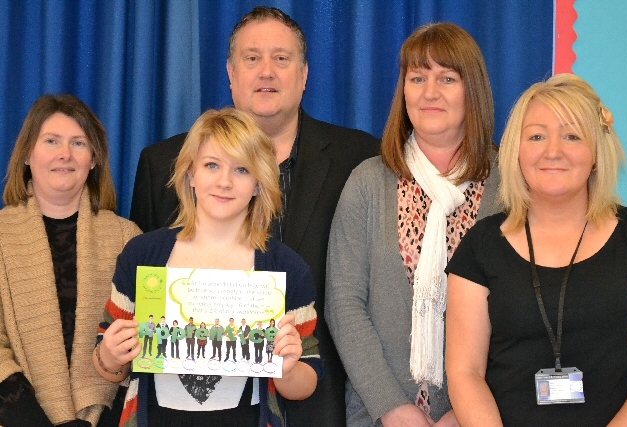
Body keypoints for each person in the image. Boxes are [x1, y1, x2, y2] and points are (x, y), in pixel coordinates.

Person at [129, 7, 379, 426]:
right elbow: (143, 294)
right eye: (252, 58)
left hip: (320, 403)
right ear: (230, 72)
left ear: (304, 75)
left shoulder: (360, 160)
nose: (267, 71)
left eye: (281, 59)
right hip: (187, 409)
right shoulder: (164, 165)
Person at [94, 108, 321, 427]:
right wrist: (111, 355)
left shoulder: (285, 269)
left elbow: (305, 383)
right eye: (211, 165)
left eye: (242, 170)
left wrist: (286, 367)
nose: (224, 182)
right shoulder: (143, 255)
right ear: (190, 174)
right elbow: (106, 364)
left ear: (259, 183)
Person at [326, 23, 500, 427]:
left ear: (472, 90)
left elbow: (519, 313)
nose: (429, 92)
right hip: (376, 416)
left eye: (447, 78)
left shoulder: (509, 187)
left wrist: (466, 412)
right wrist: (393, 408)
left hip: (483, 415)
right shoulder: (368, 182)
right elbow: (344, 304)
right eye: (417, 78)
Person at [445, 73, 627, 427]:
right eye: (536, 136)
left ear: (596, 152)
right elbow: (464, 371)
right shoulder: (481, 247)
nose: (553, 151)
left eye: (572, 136)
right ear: (516, 151)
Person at [0, 94, 140, 427]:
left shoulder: (129, 239)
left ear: (93, 159)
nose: (65, 154)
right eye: (51, 141)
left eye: (78, 143)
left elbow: (141, 345)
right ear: (27, 156)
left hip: (108, 418)